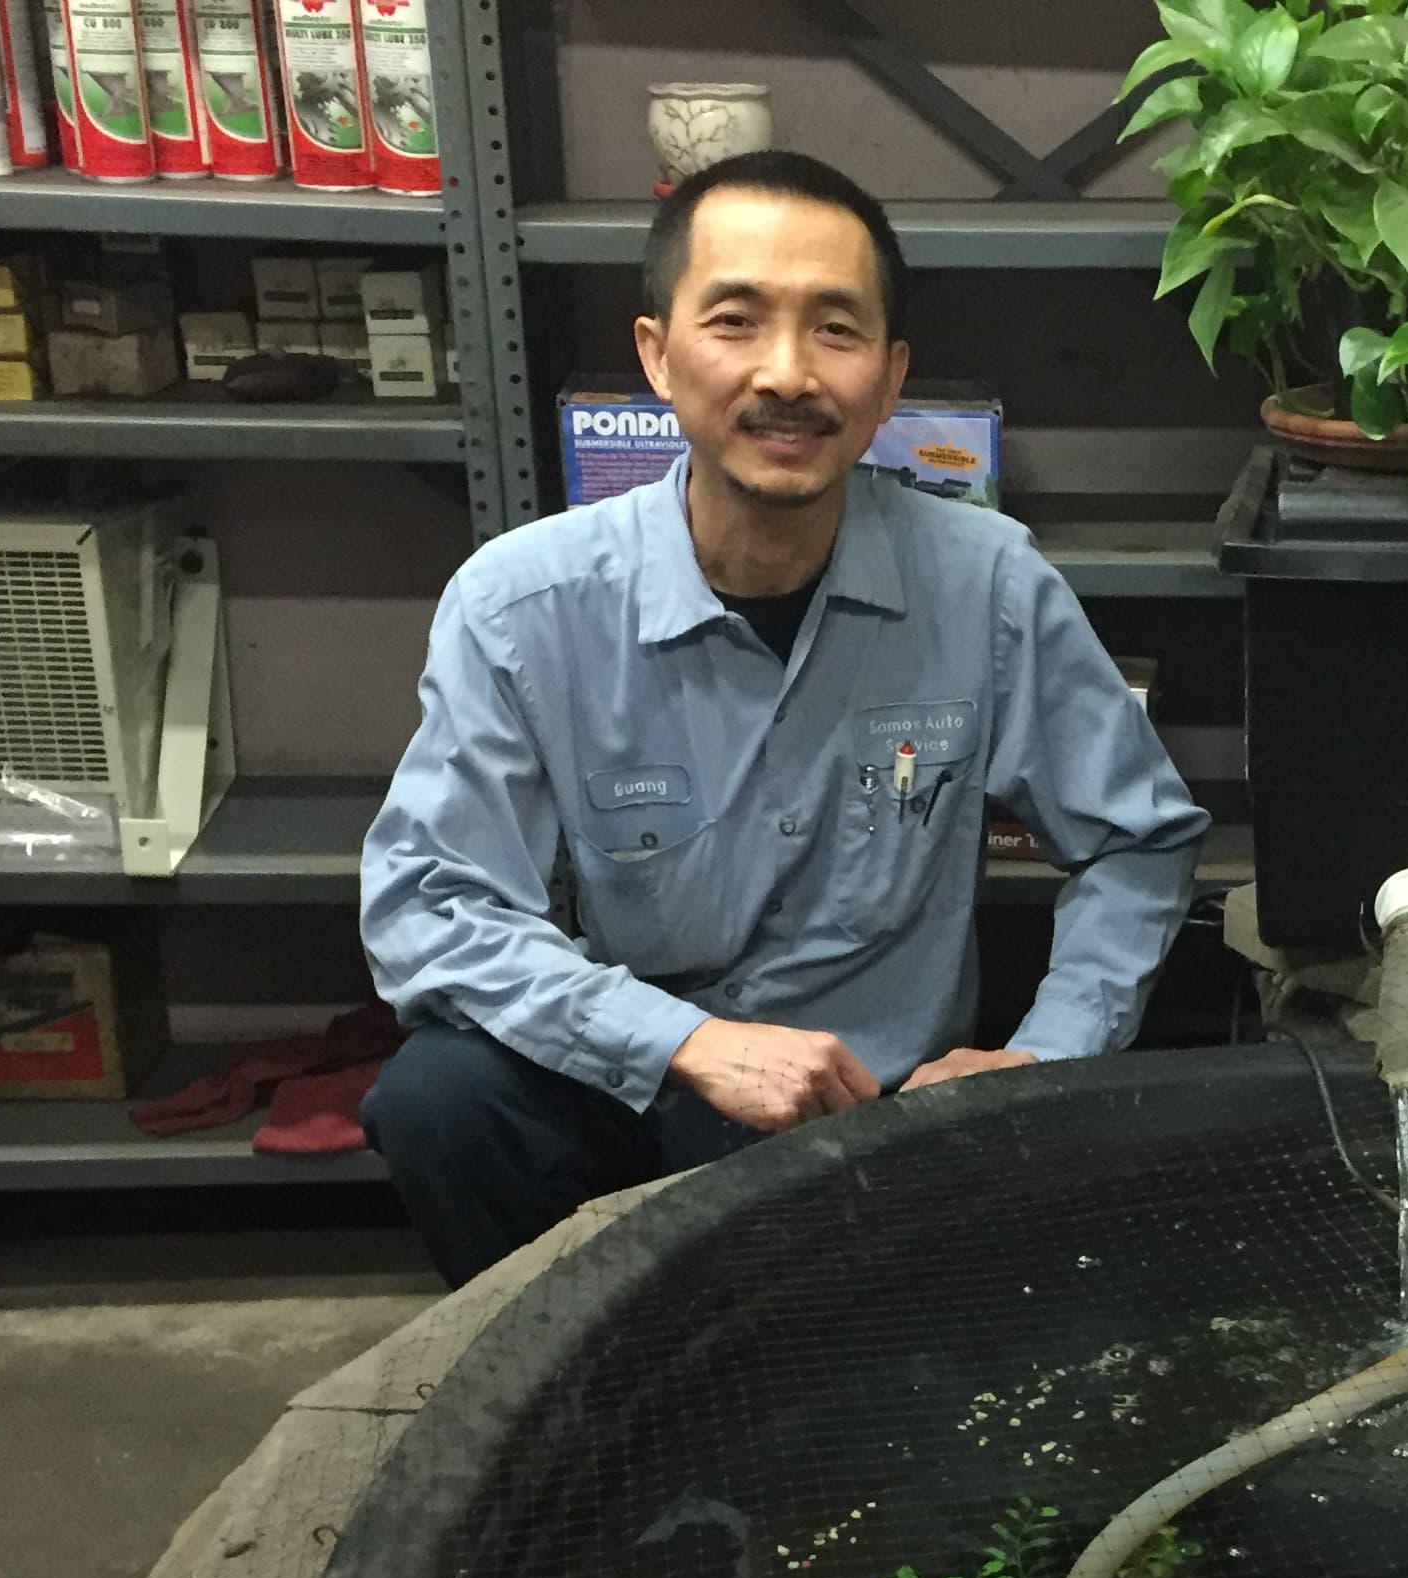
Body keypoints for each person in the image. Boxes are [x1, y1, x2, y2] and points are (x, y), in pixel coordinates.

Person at [359, 150, 1208, 1284]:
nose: (788, 374)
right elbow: (433, 905)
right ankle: (563, 1401)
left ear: (890, 375)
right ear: (657, 355)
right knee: (439, 1097)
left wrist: (1043, 1056)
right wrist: (686, 1044)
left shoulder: (987, 585)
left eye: (836, 331)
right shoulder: (524, 605)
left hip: (879, 1119)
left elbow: (1138, 840)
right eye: (736, 320)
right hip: (633, 1094)